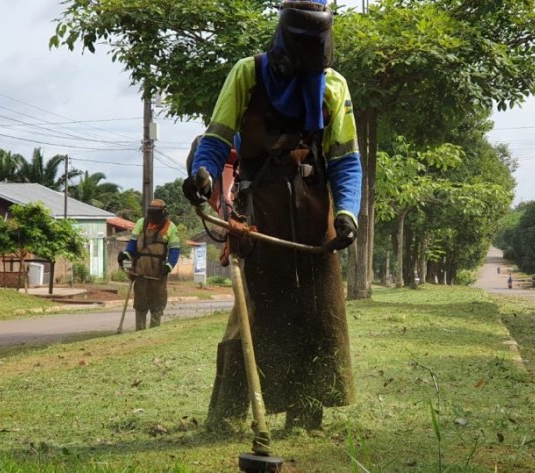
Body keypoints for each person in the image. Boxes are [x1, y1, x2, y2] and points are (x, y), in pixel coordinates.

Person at [183, 0, 362, 431]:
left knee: (316, 312)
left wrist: (347, 214)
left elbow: (345, 161)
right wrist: (202, 175)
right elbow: (215, 138)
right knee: (255, 312)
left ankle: (306, 415)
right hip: (257, 213)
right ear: (282, 41)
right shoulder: (248, 73)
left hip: (314, 217)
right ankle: (226, 416)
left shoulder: (334, 87)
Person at [122, 199, 180, 330]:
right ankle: (140, 330)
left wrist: (169, 266)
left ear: (163, 212)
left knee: (157, 302)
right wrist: (126, 254)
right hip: (140, 270)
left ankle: (155, 329)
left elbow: (175, 250)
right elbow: (132, 243)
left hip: (158, 272)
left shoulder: (171, 227)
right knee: (140, 302)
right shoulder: (141, 223)